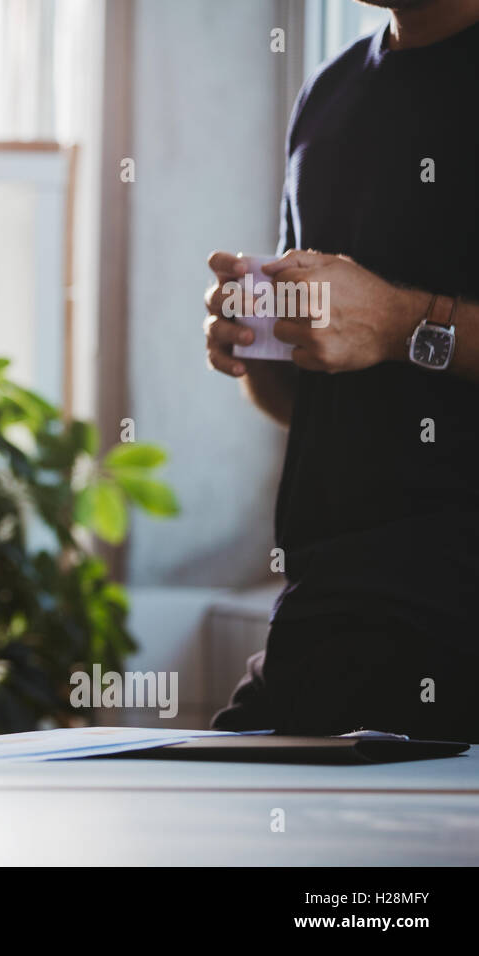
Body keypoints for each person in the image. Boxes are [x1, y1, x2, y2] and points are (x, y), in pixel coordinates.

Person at [203, 0, 479, 741]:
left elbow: (385, 331)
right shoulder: (329, 92)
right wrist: (260, 340)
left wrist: (398, 323)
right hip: (326, 613)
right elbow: (319, 400)